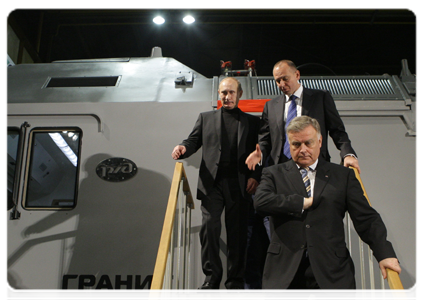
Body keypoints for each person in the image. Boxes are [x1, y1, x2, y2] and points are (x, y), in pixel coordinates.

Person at [254, 116, 401, 300]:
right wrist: (301, 202)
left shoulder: (343, 176)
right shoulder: (273, 174)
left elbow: (367, 219)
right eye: (296, 144)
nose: (303, 150)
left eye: (308, 143)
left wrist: (384, 254)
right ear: (289, 144)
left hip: (333, 270)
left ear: (320, 141)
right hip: (284, 271)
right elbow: (260, 201)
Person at [171, 77, 262, 294]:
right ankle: (211, 279)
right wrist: (183, 148)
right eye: (223, 93)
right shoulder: (205, 118)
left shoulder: (253, 122)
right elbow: (192, 141)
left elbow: (259, 153)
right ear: (218, 95)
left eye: (231, 92)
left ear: (239, 95)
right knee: (210, 229)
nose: (227, 96)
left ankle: (235, 283)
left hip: (239, 184)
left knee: (238, 236)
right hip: (212, 183)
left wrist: (255, 176)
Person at [246, 59, 360, 173]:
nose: (281, 84)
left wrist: (347, 154)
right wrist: (260, 153)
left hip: (314, 166)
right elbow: (265, 138)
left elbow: (337, 131)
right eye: (277, 81)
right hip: (281, 170)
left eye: (285, 79)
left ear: (297, 75)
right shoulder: (270, 106)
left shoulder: (320, 98)